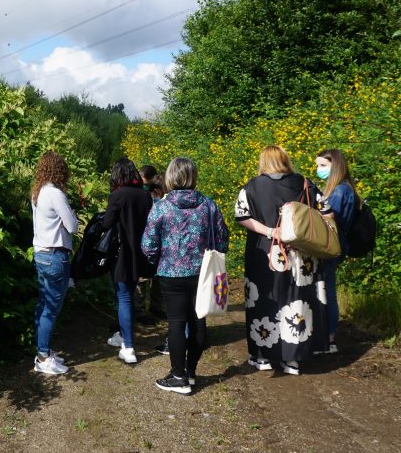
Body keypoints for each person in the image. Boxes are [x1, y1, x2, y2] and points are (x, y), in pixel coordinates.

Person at [235, 145, 332, 375]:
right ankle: (293, 359)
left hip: (265, 252)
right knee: (296, 299)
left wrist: (270, 232)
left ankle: (262, 356)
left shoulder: (251, 186)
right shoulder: (305, 183)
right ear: (286, 160)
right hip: (300, 253)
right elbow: (327, 212)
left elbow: (242, 216)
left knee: (263, 300)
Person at [142, 157, 229, 394]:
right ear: (193, 176)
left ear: (170, 177)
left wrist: (156, 260)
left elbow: (148, 244)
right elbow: (222, 239)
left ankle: (178, 376)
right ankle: (190, 372)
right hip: (202, 272)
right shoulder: (209, 205)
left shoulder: (161, 206)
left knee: (177, 323)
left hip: (171, 273)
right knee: (198, 321)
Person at [102, 158, 155, 364]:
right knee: (129, 296)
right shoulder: (145, 196)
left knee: (123, 298)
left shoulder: (116, 195)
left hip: (121, 254)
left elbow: (107, 223)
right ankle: (125, 337)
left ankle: (129, 346)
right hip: (139, 254)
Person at [31, 151, 78, 375]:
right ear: (59, 170)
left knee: (43, 306)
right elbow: (72, 226)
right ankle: (43, 357)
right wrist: (74, 216)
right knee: (50, 309)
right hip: (55, 255)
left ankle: (44, 351)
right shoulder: (56, 194)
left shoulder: (38, 192)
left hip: (41, 252)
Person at [315, 149, 359, 354]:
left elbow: (329, 220)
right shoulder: (346, 189)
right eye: (318, 165)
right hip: (336, 247)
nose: (319, 170)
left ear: (336, 166)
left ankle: (328, 339)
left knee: (325, 292)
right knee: (327, 290)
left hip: (330, 247)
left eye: (323, 166)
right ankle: (328, 337)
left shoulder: (340, 191)